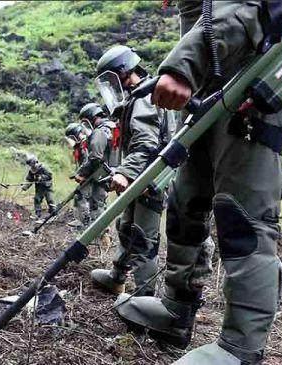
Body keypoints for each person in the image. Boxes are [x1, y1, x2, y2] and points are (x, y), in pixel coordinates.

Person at [115, 2, 282, 363]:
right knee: (185, 204)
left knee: (243, 219)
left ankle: (240, 347)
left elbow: (252, 7)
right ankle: (176, 309)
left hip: (253, 84)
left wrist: (188, 64)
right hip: (210, 89)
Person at [90, 46, 198, 297]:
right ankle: (117, 277)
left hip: (151, 177)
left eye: (111, 80)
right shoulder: (138, 97)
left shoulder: (143, 98)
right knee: (127, 226)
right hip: (142, 174)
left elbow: (147, 144)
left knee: (143, 236)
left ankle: (144, 296)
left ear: (123, 73)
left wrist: (124, 172)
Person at [73, 103, 117, 246]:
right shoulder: (113, 128)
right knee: (101, 204)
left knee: (96, 205)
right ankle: (102, 237)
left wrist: (82, 173)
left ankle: (102, 240)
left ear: (91, 118)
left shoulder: (99, 132)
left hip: (102, 173)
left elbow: (95, 157)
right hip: (113, 171)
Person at [64, 122, 91, 229]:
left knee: (82, 197)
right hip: (85, 175)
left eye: (72, 136)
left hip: (90, 176)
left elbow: (87, 162)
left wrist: (80, 173)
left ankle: (85, 221)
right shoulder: (79, 146)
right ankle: (81, 220)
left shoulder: (85, 144)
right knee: (79, 196)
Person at [22, 155, 56, 223]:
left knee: (50, 200)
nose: (32, 166)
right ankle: (38, 214)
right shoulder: (31, 171)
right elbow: (30, 180)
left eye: (32, 164)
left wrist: (41, 177)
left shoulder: (43, 167)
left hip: (47, 187)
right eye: (30, 165)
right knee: (37, 199)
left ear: (35, 162)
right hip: (39, 187)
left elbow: (50, 175)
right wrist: (25, 186)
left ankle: (53, 214)